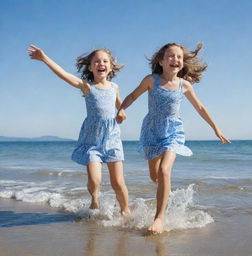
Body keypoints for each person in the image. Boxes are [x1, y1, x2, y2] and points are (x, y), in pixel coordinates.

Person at [116, 42, 230, 234]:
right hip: (152, 131)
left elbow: (200, 108)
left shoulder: (184, 85)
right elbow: (133, 96)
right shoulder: (151, 80)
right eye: (170, 56)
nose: (175, 60)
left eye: (179, 57)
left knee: (164, 169)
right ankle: (165, 196)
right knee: (155, 176)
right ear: (161, 61)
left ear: (183, 63)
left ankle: (159, 218)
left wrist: (216, 128)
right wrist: (121, 109)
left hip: (173, 132)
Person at [27, 45, 130, 216]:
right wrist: (44, 58)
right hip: (92, 140)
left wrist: (122, 113)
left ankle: (126, 213)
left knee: (118, 182)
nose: (101, 64)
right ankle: (94, 197)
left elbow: (120, 105)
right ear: (90, 67)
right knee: (95, 180)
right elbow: (64, 75)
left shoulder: (114, 87)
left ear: (110, 66)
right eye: (96, 61)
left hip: (112, 138)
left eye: (105, 61)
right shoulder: (86, 86)